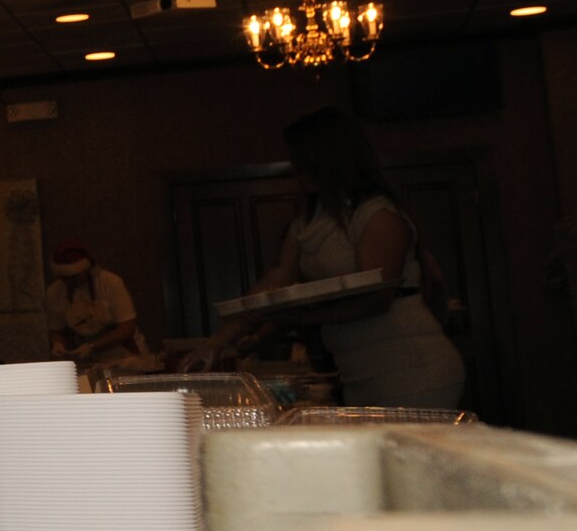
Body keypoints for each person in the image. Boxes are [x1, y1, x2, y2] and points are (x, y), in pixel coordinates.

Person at [186, 107, 466, 409]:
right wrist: (216, 343)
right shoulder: (309, 222)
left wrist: (297, 317)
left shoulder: (376, 216)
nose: (296, 169)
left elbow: (378, 300)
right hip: (359, 372)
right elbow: (274, 285)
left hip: (410, 367)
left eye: (301, 161)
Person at [43, 242, 147, 364]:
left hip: (125, 354)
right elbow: (56, 330)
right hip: (86, 357)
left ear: (87, 270)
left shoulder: (110, 283)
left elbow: (127, 328)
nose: (70, 282)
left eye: (74, 277)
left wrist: (92, 346)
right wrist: (58, 344)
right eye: (65, 278)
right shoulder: (54, 292)